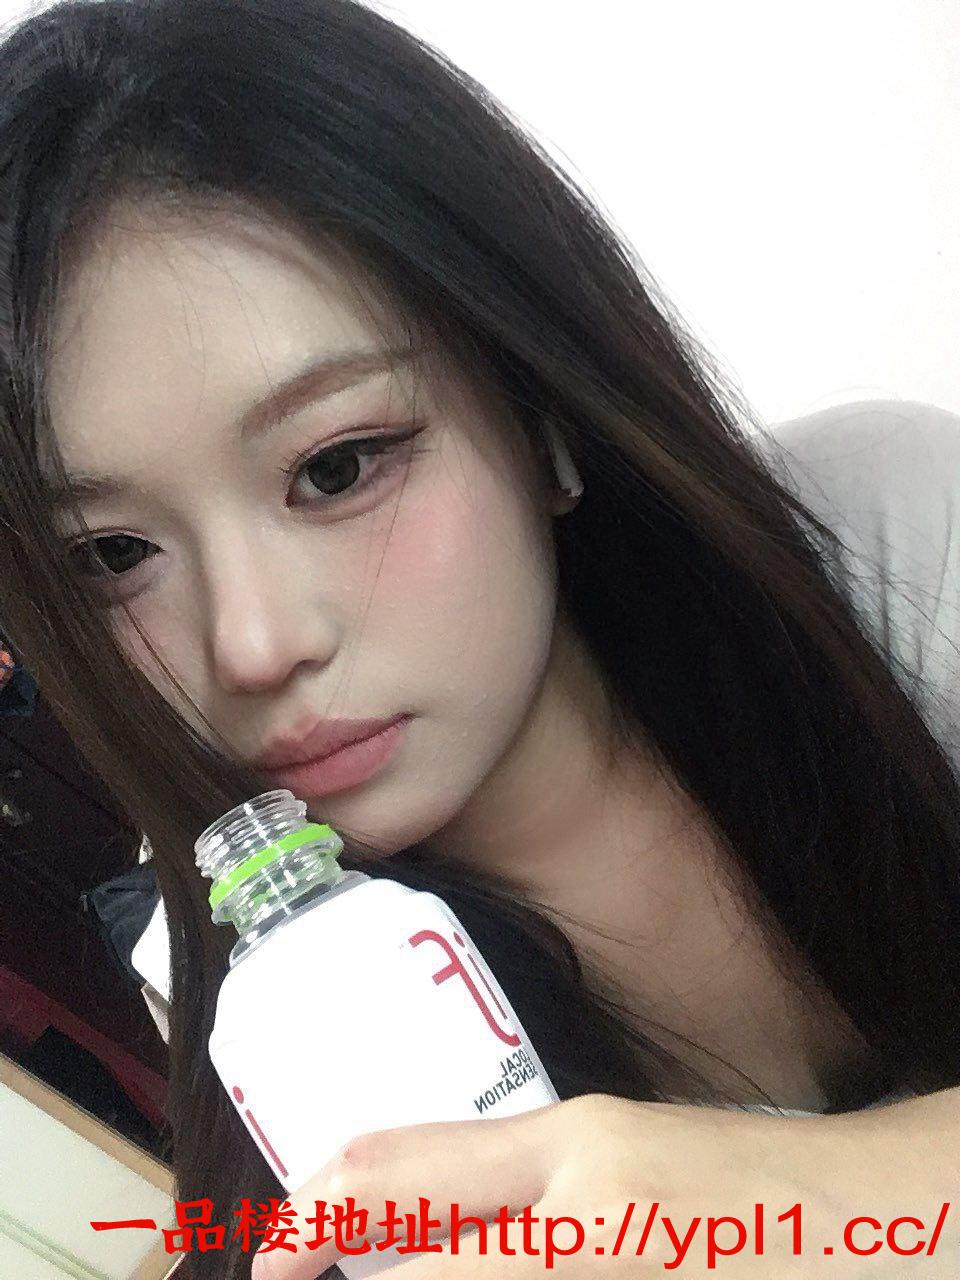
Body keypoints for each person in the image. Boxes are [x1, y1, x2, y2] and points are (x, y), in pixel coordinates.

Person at [0, 2, 957, 1277]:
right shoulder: (255, 992)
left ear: (539, 408)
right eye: (112, 555)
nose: (254, 644)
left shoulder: (890, 547)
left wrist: (795, 1197)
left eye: (338, 466)